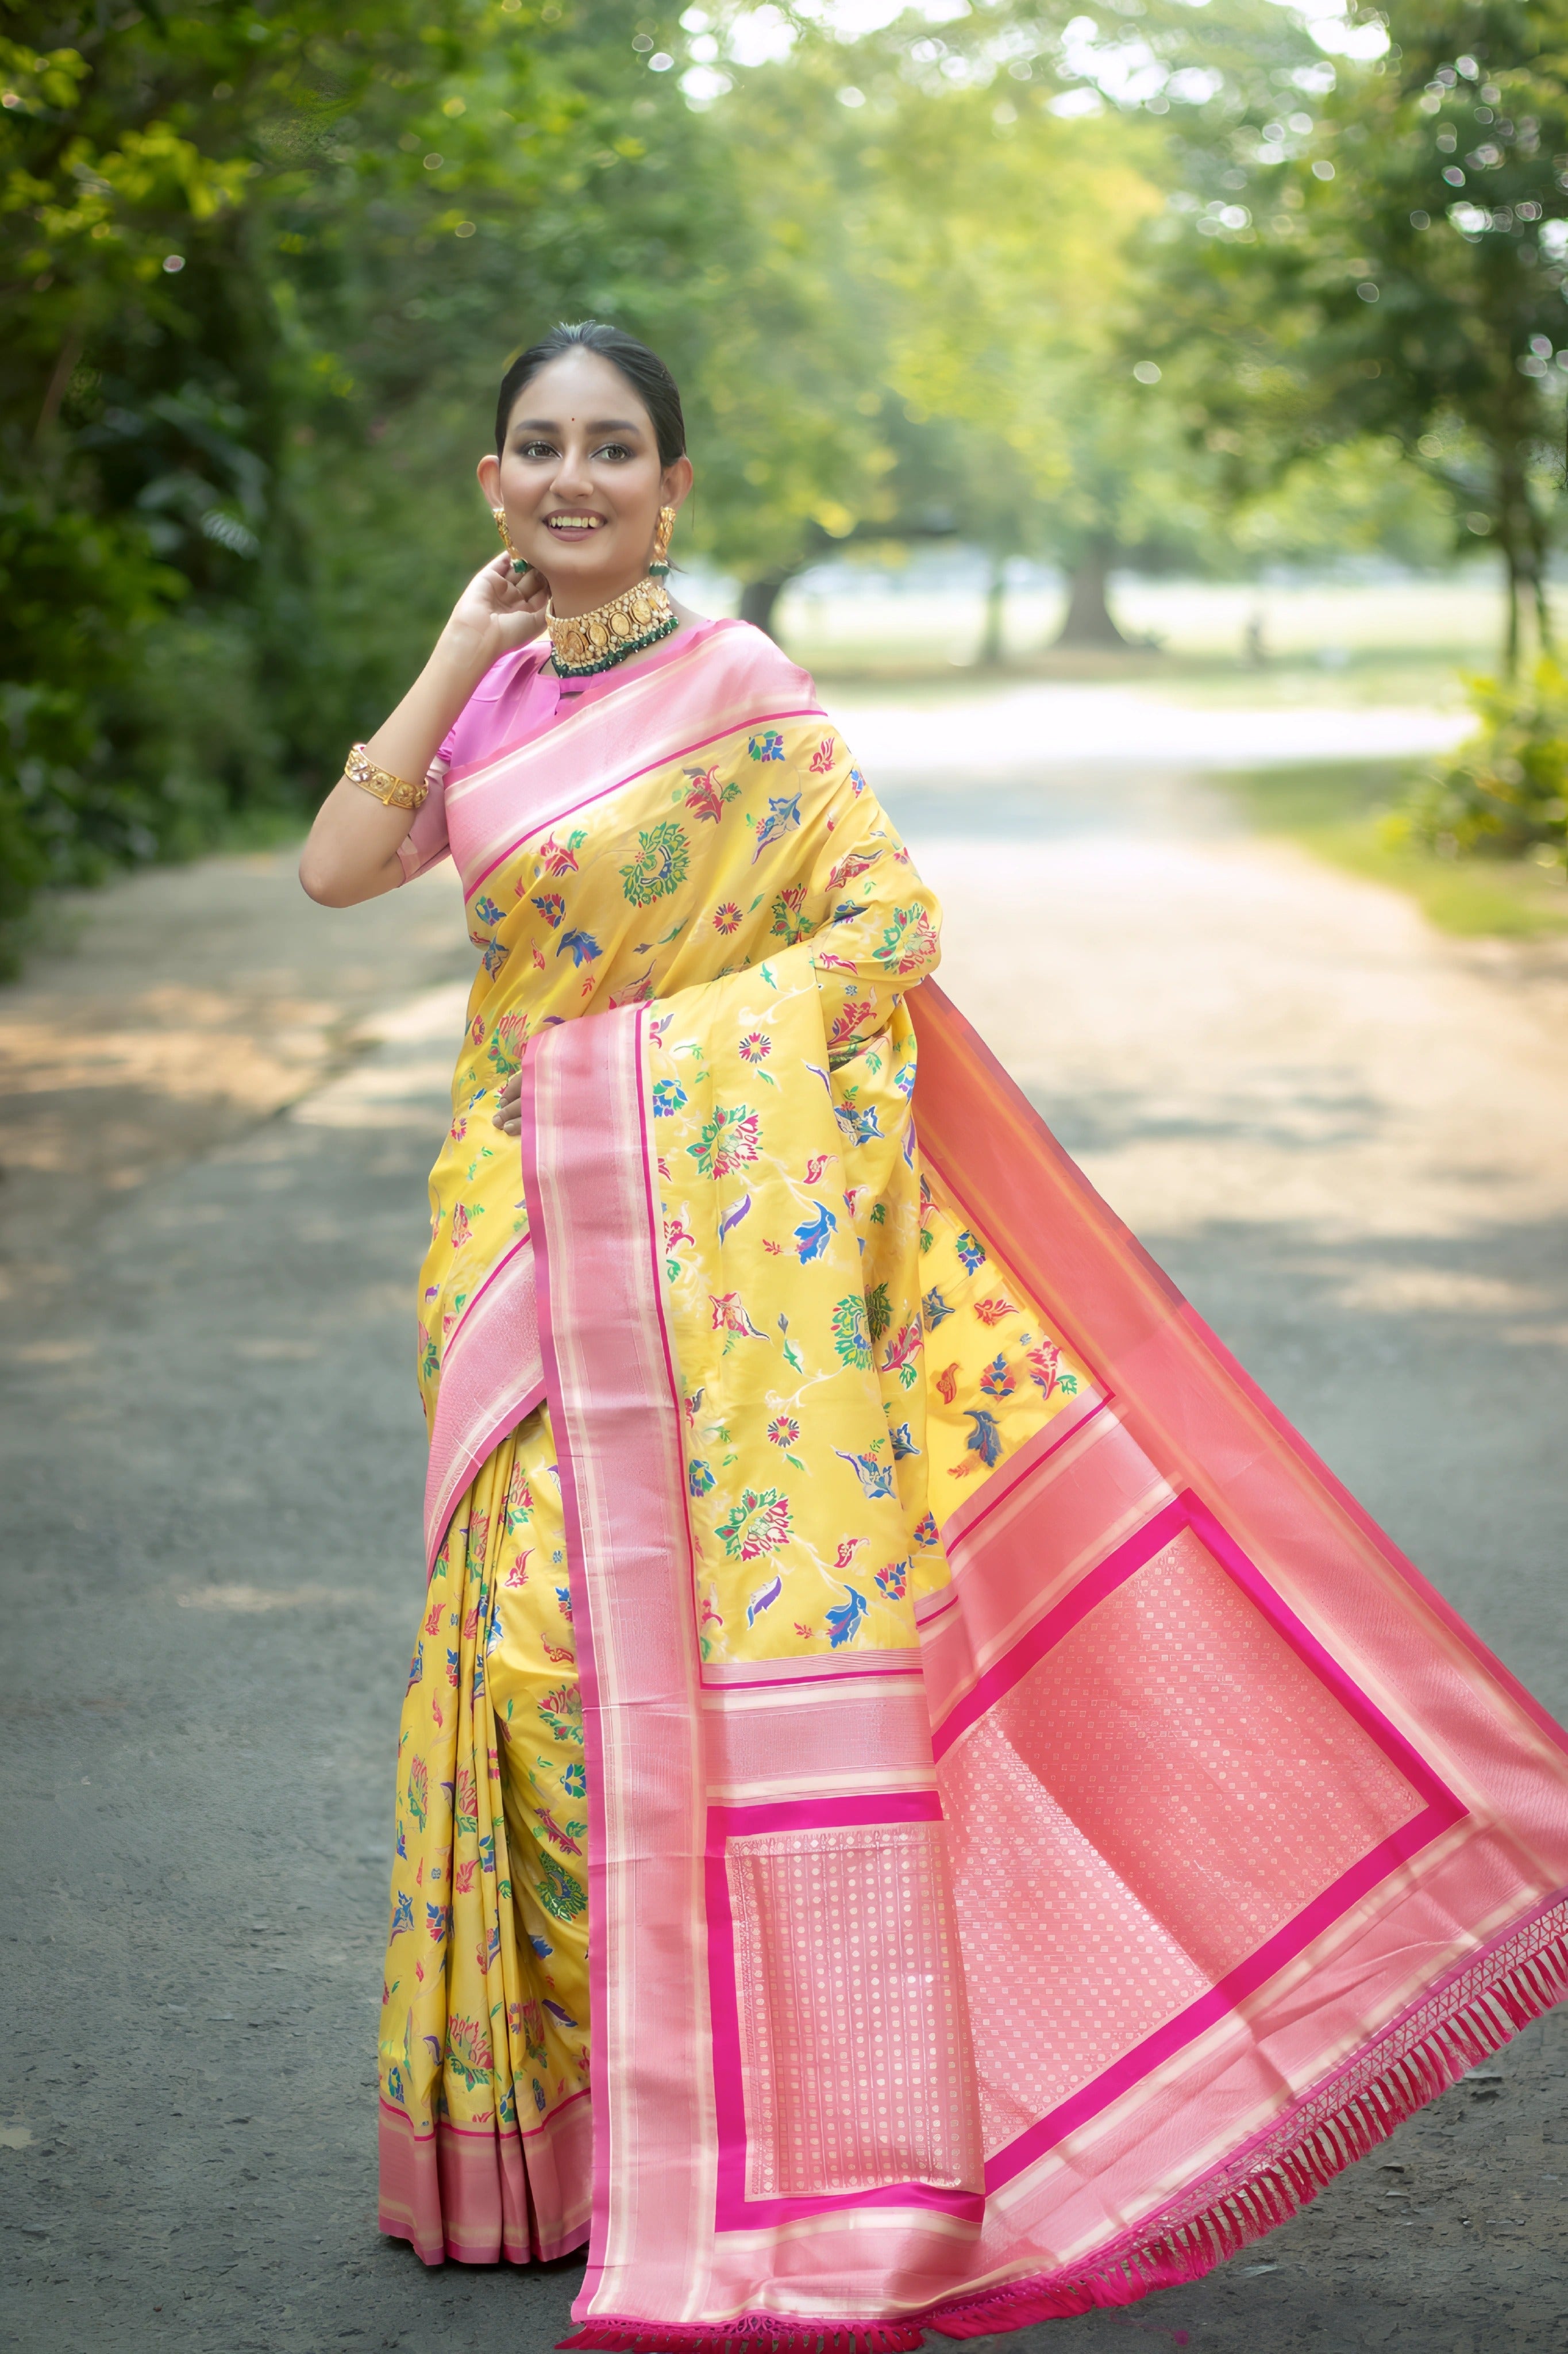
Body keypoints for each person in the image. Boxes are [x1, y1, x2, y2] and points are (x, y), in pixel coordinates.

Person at [300, 322, 1568, 2352]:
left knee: (669, 1668)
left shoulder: (739, 690)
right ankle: (566, 2133)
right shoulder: (497, 698)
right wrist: (456, 658)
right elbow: (337, 868)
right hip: (516, 1236)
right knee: (526, 1661)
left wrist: (649, 1070)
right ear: (491, 481)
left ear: (672, 489)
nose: (572, 479)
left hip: (709, 1247)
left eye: (611, 450)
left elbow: (883, 927)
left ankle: (719, 2137)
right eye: (536, 447)